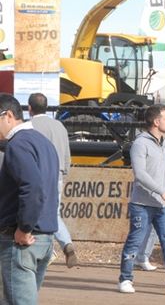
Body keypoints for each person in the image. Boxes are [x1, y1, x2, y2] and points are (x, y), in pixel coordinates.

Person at [118, 104, 165, 295]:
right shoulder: (140, 143)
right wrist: (162, 191)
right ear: (156, 122)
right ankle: (125, 278)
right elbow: (140, 174)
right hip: (142, 204)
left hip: (164, 204)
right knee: (135, 241)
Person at [0, 93, 59, 304]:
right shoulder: (43, 143)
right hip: (44, 236)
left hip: (23, 240)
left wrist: (24, 228)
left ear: (7, 115)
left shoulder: (17, 144)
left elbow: (33, 187)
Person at [27, 92, 78, 268]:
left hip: (37, 174)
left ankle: (47, 251)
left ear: (29, 108)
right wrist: (64, 170)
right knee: (53, 212)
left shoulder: (29, 126)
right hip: (57, 174)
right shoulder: (59, 126)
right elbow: (67, 154)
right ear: (47, 107)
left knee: (32, 212)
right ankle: (64, 244)